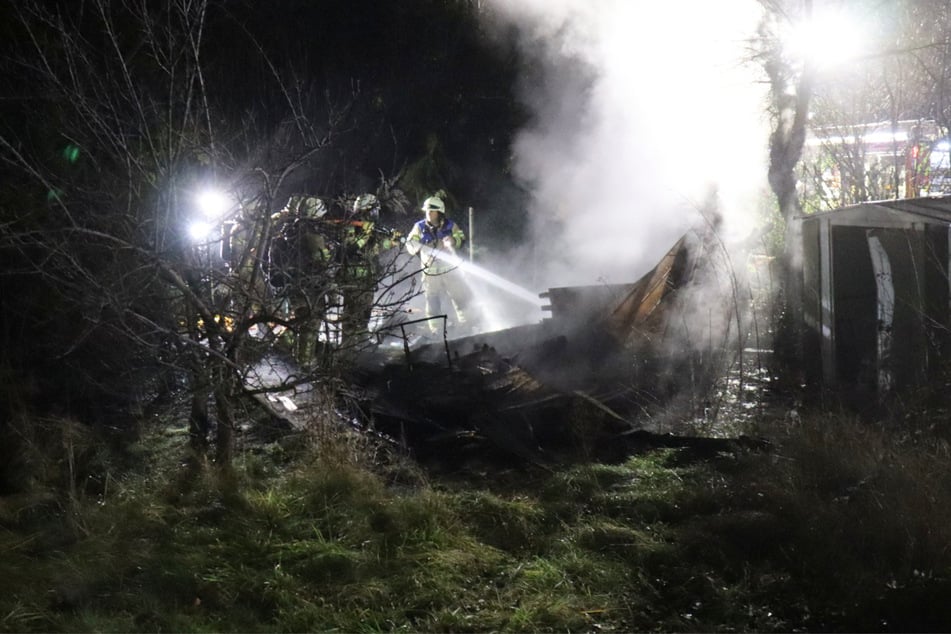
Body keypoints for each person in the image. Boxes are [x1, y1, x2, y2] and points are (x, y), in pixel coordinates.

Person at [267, 195, 333, 364]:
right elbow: (322, 260)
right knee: (310, 327)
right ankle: (301, 364)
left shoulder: (290, 230)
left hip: (295, 286)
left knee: (300, 322)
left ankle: (280, 349)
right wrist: (331, 250)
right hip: (311, 288)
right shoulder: (312, 235)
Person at [334, 193, 398, 348]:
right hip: (352, 278)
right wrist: (364, 235)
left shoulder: (371, 227)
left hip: (367, 277)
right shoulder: (349, 226)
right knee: (351, 314)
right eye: (374, 211)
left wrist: (390, 242)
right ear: (368, 210)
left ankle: (362, 342)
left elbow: (373, 250)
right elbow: (347, 250)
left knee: (365, 313)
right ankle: (347, 346)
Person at [404, 194, 474, 337]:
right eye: (427, 211)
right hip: (430, 274)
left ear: (439, 212)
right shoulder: (419, 227)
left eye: (432, 211)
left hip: (451, 272)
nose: (428, 214)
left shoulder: (451, 225)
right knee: (433, 304)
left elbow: (462, 239)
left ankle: (467, 327)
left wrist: (453, 240)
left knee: (460, 299)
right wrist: (416, 246)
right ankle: (436, 332)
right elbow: (410, 245)